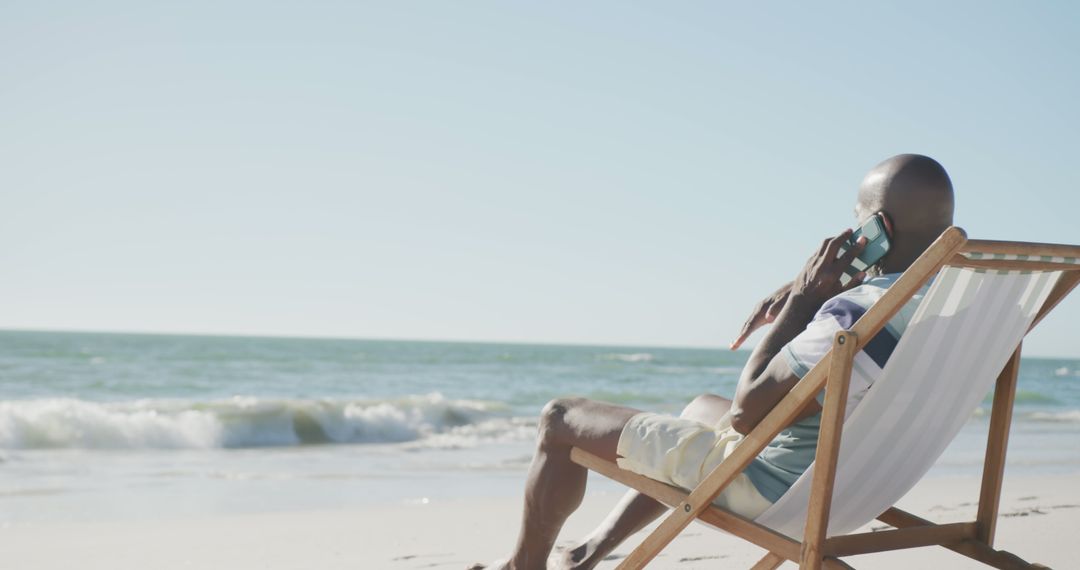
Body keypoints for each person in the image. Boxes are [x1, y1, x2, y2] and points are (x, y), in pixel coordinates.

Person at [470, 154, 956, 570]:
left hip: (778, 490)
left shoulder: (856, 314)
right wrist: (801, 290)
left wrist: (804, 300)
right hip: (857, 489)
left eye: (858, 219)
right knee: (703, 407)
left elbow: (747, 414)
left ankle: (521, 567)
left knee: (559, 418)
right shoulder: (949, 304)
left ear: (879, 229)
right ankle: (590, 551)